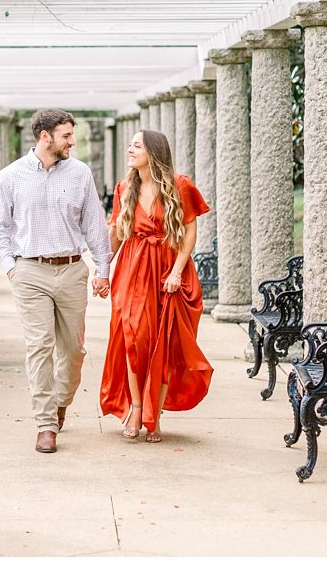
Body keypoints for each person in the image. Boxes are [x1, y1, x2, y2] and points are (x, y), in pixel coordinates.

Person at [0, 109, 113, 454]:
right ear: (45, 137)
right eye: (66, 135)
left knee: (73, 351)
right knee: (39, 347)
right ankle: (45, 424)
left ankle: (60, 403)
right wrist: (12, 267)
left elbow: (94, 225)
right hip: (30, 272)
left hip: (71, 270)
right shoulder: (11, 176)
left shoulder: (80, 173)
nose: (72, 141)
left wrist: (103, 270)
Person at [99, 129, 213, 443]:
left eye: (136, 145)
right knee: (134, 339)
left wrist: (177, 272)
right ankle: (137, 408)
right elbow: (117, 234)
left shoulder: (181, 186)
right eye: (131, 144)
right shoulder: (125, 187)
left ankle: (155, 414)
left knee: (165, 343)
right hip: (133, 270)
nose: (130, 149)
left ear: (153, 151)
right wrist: (102, 271)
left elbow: (189, 233)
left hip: (169, 270)